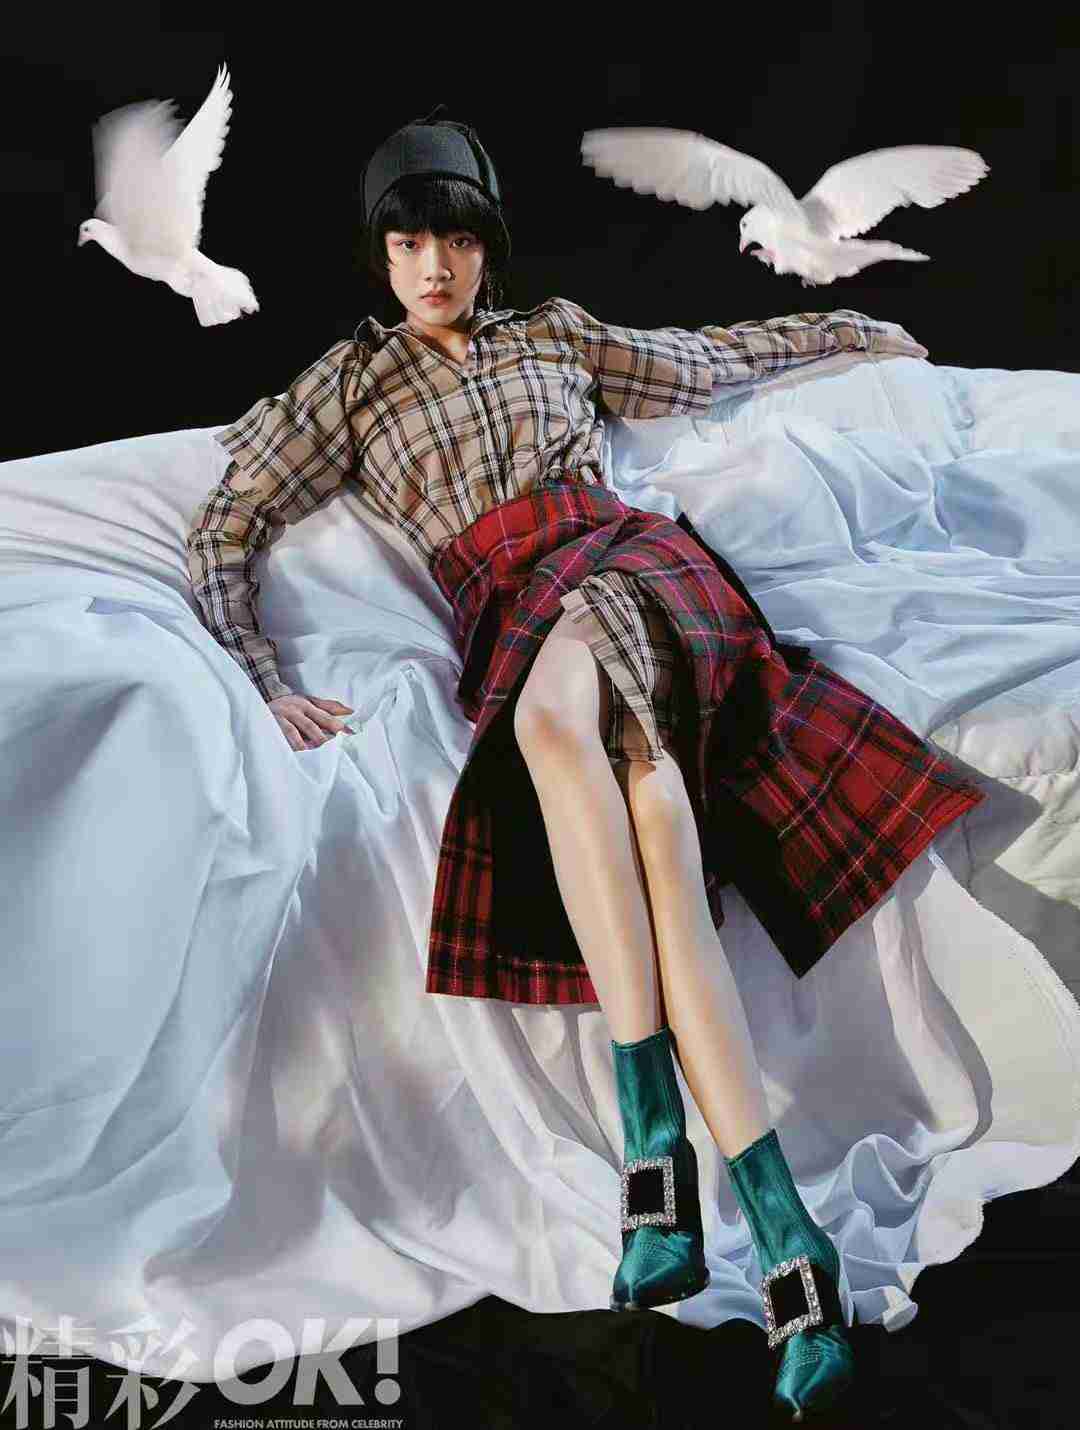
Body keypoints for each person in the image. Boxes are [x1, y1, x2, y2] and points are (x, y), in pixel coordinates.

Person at [186, 105, 985, 1422]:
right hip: (508, 609)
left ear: (487, 246)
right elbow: (224, 525)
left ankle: (653, 1153)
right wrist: (265, 679)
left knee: (554, 731)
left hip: (625, 565)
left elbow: (706, 359)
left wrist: (853, 328)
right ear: (379, 257)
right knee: (658, 828)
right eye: (407, 243)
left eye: (455, 239)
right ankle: (791, 1248)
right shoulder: (349, 387)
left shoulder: (555, 336)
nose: (433, 266)